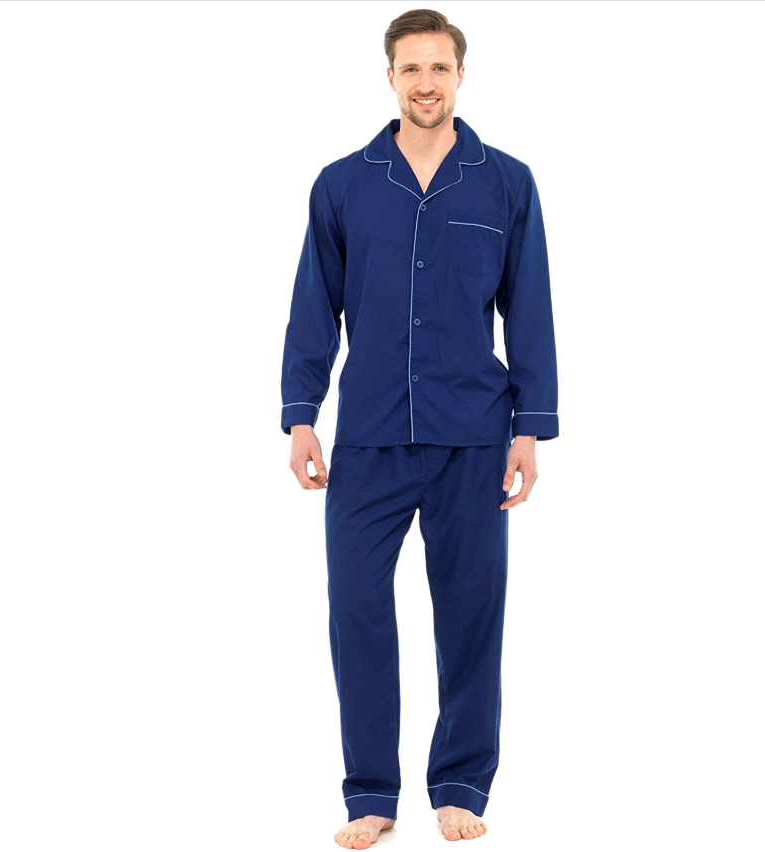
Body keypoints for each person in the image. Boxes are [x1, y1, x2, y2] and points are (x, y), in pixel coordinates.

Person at [280, 9, 558, 847]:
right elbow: (313, 307)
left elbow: (530, 310)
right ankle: (371, 792)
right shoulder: (342, 184)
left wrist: (530, 428)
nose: (426, 83)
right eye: (412, 68)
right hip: (367, 435)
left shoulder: (506, 182)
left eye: (440, 67)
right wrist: (301, 415)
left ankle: (461, 784)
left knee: (471, 613)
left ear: (461, 75)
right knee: (356, 608)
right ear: (390, 77)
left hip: (474, 434)